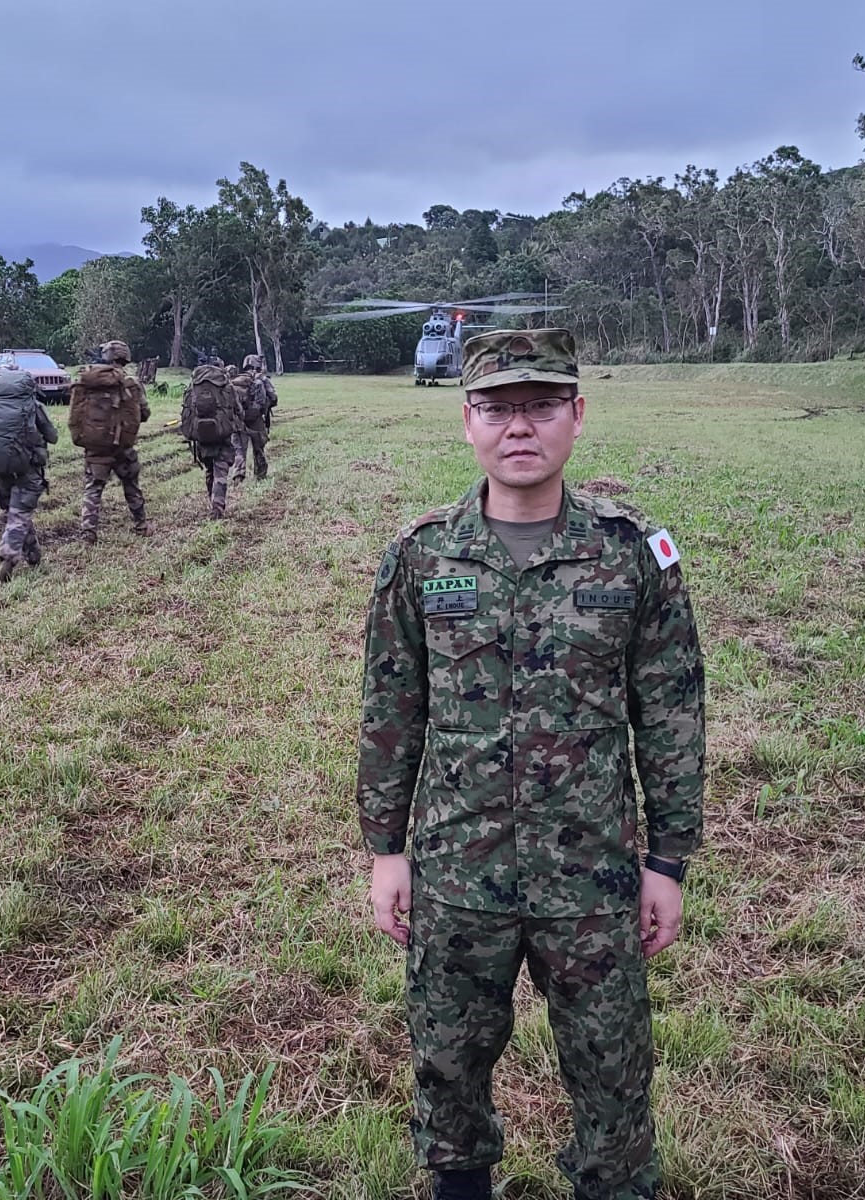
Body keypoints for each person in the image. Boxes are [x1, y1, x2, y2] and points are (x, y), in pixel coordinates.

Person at [356, 329, 706, 1200]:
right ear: (467, 422)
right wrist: (386, 850)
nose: (521, 428)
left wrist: (666, 864)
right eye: (498, 408)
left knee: (615, 1078)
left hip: (590, 877)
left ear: (577, 417)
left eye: (542, 406)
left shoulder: (632, 554)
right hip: (456, 872)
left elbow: (669, 715)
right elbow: (391, 709)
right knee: (447, 1063)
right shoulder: (423, 554)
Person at [0, 365, 58, 580]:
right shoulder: (33, 406)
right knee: (20, 514)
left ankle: (33, 553)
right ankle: (8, 558)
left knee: (16, 512)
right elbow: (52, 436)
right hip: (28, 468)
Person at [74, 341, 150, 544]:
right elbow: (144, 413)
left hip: (96, 446)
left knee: (93, 488)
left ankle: (88, 533)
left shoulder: (88, 380)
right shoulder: (131, 382)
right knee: (131, 485)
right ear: (125, 358)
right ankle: (141, 525)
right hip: (122, 447)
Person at [180, 361, 243, 519]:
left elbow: (186, 411)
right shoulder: (226, 387)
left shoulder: (193, 387)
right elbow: (238, 409)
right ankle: (217, 506)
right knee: (220, 470)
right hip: (223, 434)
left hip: (201, 435)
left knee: (209, 469)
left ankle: (212, 499)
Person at [229, 357, 271, 483]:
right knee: (258, 448)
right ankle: (260, 476)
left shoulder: (234, 381)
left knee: (239, 449)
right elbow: (271, 398)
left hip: (238, 420)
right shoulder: (258, 380)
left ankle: (238, 475)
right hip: (255, 420)